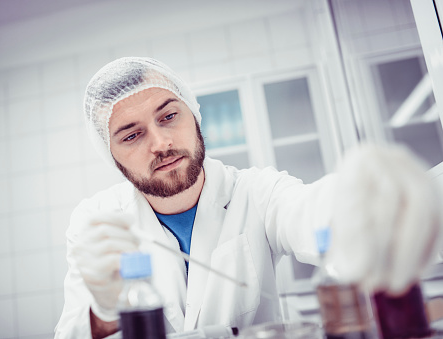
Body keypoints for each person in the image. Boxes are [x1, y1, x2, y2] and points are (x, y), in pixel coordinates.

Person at [54, 57, 443, 339]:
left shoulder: (255, 192)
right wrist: (104, 312)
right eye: (131, 135)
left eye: (169, 116)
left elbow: (314, 213)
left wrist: (380, 202)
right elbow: (72, 333)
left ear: (194, 115)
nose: (161, 143)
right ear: (111, 154)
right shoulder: (97, 220)